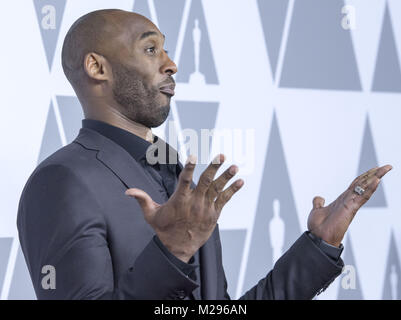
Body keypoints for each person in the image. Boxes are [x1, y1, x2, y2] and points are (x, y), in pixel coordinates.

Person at [17, 9, 392, 300]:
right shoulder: (61, 181)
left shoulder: (174, 173)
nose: (171, 64)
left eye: (165, 49)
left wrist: (318, 245)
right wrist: (172, 251)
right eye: (150, 49)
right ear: (98, 67)